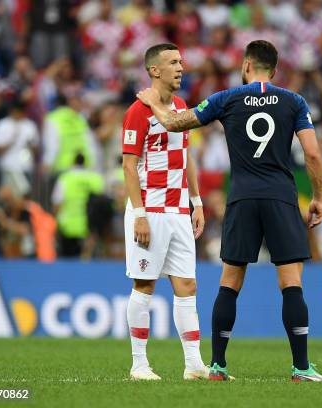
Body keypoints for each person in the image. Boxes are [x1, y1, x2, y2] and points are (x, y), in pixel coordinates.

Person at [136, 40, 322, 382]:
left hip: (241, 197)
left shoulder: (227, 98)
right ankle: (301, 367)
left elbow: (177, 123)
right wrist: (317, 196)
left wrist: (155, 104)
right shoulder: (294, 101)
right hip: (281, 197)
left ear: (246, 65)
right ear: (275, 68)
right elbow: (312, 154)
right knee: (291, 282)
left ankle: (218, 366)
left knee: (230, 281)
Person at [122, 43, 208, 381]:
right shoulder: (136, 112)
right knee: (144, 284)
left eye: (181, 61)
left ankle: (194, 365)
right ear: (154, 70)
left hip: (178, 210)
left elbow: (187, 156)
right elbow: (129, 167)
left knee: (187, 285)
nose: (181, 66)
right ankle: (139, 364)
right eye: (173, 62)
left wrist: (196, 202)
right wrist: (139, 213)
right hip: (151, 210)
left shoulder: (181, 107)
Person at [52, 153, 104, 257]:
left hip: (67, 225)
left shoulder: (65, 178)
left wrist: (56, 222)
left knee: (68, 261)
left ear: (74, 162)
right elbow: (102, 203)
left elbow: (57, 202)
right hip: (88, 227)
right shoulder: (95, 178)